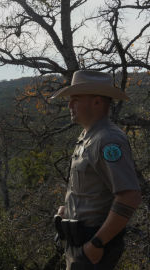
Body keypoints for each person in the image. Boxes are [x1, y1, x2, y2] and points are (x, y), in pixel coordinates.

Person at [51, 70, 141, 270]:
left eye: (75, 99)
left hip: (93, 246)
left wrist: (97, 243)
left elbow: (129, 196)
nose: (69, 105)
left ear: (97, 102)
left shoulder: (108, 140)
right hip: (79, 242)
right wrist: (70, 208)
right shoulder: (88, 136)